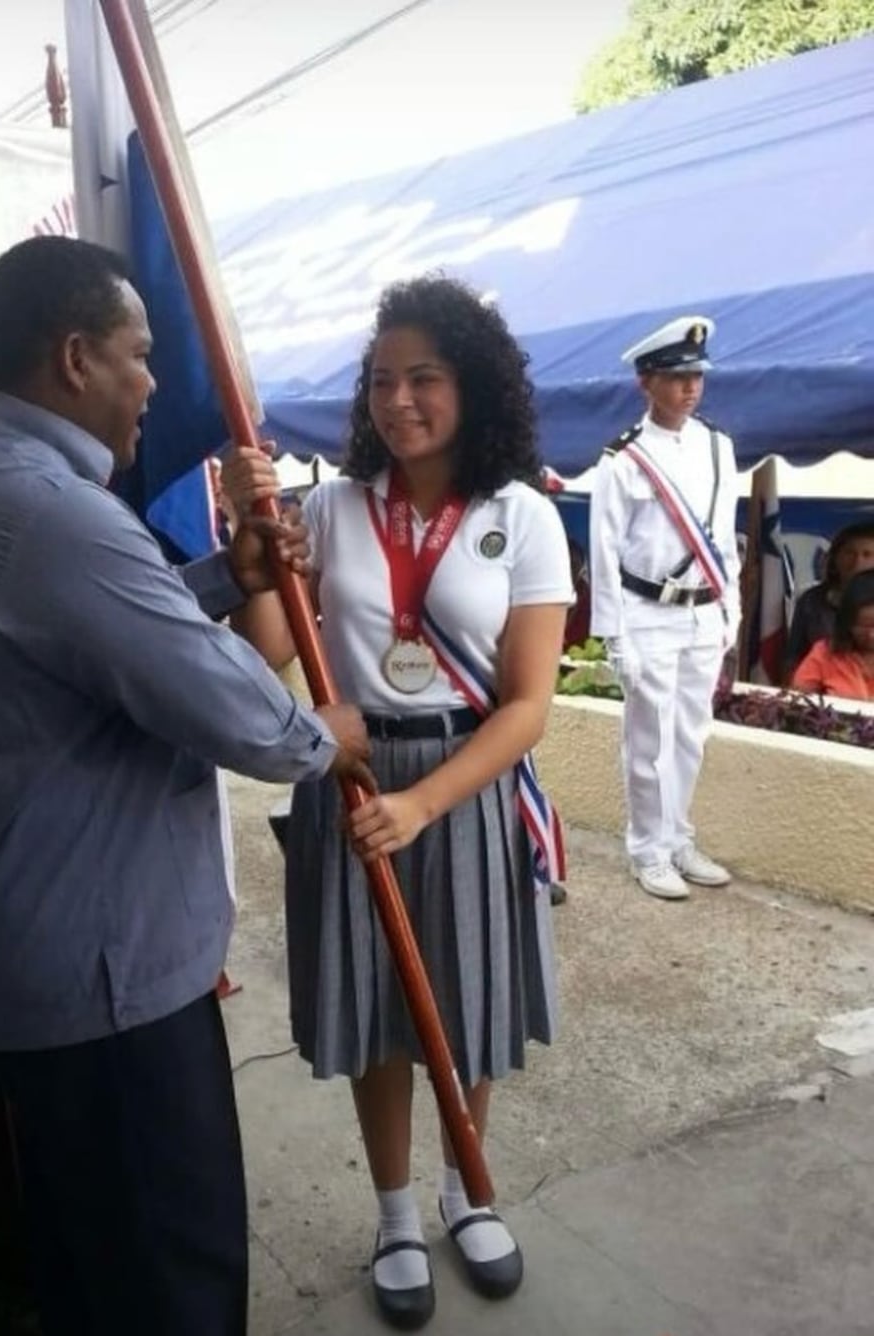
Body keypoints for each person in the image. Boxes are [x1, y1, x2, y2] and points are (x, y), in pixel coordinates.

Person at [0, 235, 373, 1336]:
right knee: (167, 1279)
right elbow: (229, 709)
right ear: (74, 358)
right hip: (104, 982)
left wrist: (224, 576)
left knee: (95, 1265)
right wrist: (325, 736)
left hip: (43, 957)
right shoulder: (46, 509)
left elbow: (98, 625)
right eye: (140, 354)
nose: (154, 382)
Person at [223, 276, 571, 1329]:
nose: (399, 400)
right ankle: (394, 1216)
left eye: (424, 377)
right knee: (378, 1014)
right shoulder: (329, 507)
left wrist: (424, 805)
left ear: (472, 384)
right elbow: (265, 655)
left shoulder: (526, 517)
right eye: (381, 380)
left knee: (463, 1005)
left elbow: (527, 708)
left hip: (458, 792)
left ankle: (468, 1192)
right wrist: (254, 552)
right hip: (354, 782)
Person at [589, 316, 740, 902]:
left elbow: (724, 542)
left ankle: (678, 837)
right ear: (645, 383)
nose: (691, 388)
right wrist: (613, 632)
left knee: (691, 734)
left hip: (703, 609)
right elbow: (603, 553)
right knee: (648, 739)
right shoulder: (624, 461)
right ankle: (647, 849)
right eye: (676, 377)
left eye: (697, 376)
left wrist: (731, 613)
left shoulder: (719, 449)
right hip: (647, 610)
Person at [783, 521, 874, 681]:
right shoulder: (811, 601)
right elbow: (793, 658)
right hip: (821, 693)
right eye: (849, 553)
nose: (857, 562)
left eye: (867, 554)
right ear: (835, 558)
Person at [789, 568, 874, 701]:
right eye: (862, 626)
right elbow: (797, 699)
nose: (871, 635)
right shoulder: (825, 653)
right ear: (847, 622)